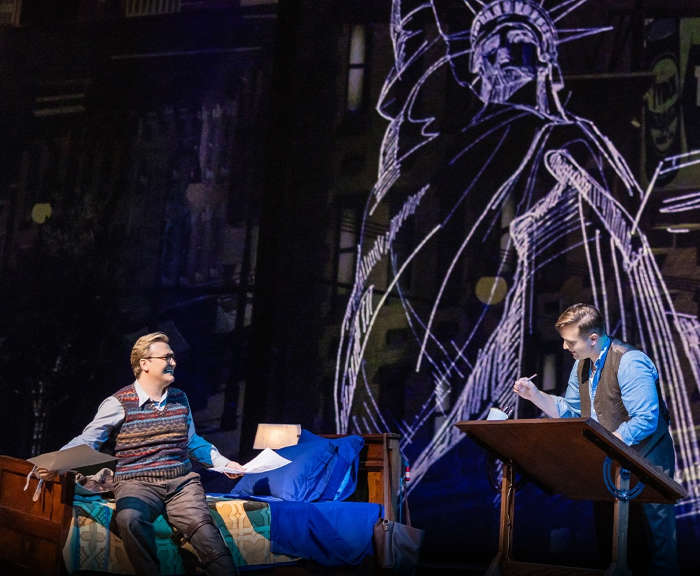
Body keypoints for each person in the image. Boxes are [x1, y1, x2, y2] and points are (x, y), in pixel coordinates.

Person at [38, 332, 245, 576]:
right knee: (130, 518)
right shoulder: (119, 402)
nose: (173, 362)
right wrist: (56, 462)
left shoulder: (180, 399)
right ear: (144, 364)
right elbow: (88, 440)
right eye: (166, 357)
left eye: (173, 357)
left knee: (205, 531)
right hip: (136, 482)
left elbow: (191, 441)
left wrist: (225, 463)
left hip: (181, 484)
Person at [513, 303, 679, 575]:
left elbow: (645, 419)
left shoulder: (629, 361)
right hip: (610, 465)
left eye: (570, 342)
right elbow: (571, 411)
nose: (565, 347)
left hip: (647, 464)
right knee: (614, 547)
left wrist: (606, 444)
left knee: (654, 548)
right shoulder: (581, 365)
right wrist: (535, 395)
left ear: (592, 338)